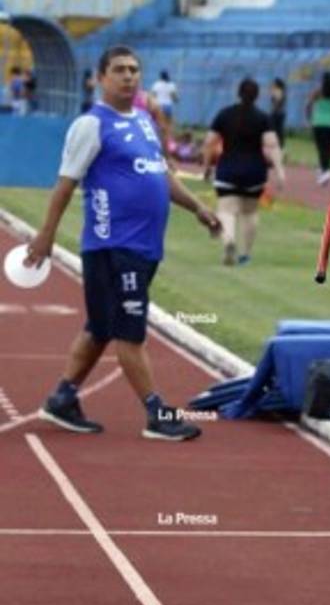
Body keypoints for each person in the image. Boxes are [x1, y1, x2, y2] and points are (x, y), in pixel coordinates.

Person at [26, 45, 221, 441]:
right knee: (129, 332)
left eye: (134, 69)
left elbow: (161, 174)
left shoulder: (147, 121)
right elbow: (65, 184)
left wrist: (197, 207)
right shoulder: (91, 125)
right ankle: (156, 414)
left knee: (100, 328)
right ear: (101, 78)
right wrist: (45, 236)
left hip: (144, 247)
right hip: (112, 247)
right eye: (119, 70)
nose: (129, 76)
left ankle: (62, 398)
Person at [202, 77, 285, 266]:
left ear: (238, 93)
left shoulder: (224, 115)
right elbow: (272, 145)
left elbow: (209, 143)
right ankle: (245, 254)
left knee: (226, 210)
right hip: (254, 172)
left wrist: (207, 166)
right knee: (249, 213)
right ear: (257, 96)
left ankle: (229, 240)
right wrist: (280, 172)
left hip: (228, 171)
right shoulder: (263, 118)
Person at [305, 71, 330, 186]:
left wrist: (309, 117)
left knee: (320, 147)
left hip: (318, 122)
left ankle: (324, 170)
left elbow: (308, 105)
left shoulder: (318, 92)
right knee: (328, 147)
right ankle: (325, 169)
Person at [269, 77, 286, 147]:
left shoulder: (278, 91)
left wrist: (273, 111)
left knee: (276, 130)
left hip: (277, 113)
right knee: (279, 130)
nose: (272, 84)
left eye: (274, 83)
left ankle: (278, 144)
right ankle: (280, 144)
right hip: (280, 113)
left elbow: (277, 103)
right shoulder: (281, 91)